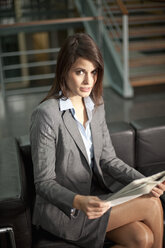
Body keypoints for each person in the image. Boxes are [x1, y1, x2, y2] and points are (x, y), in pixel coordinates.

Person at [30, 33, 165, 248]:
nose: (89, 81)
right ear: (64, 70)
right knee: (151, 204)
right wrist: (77, 200)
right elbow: (43, 183)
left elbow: (108, 159)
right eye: (80, 72)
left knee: (143, 238)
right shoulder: (46, 114)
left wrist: (143, 182)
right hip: (67, 210)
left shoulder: (96, 103)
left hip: (96, 199)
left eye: (93, 72)